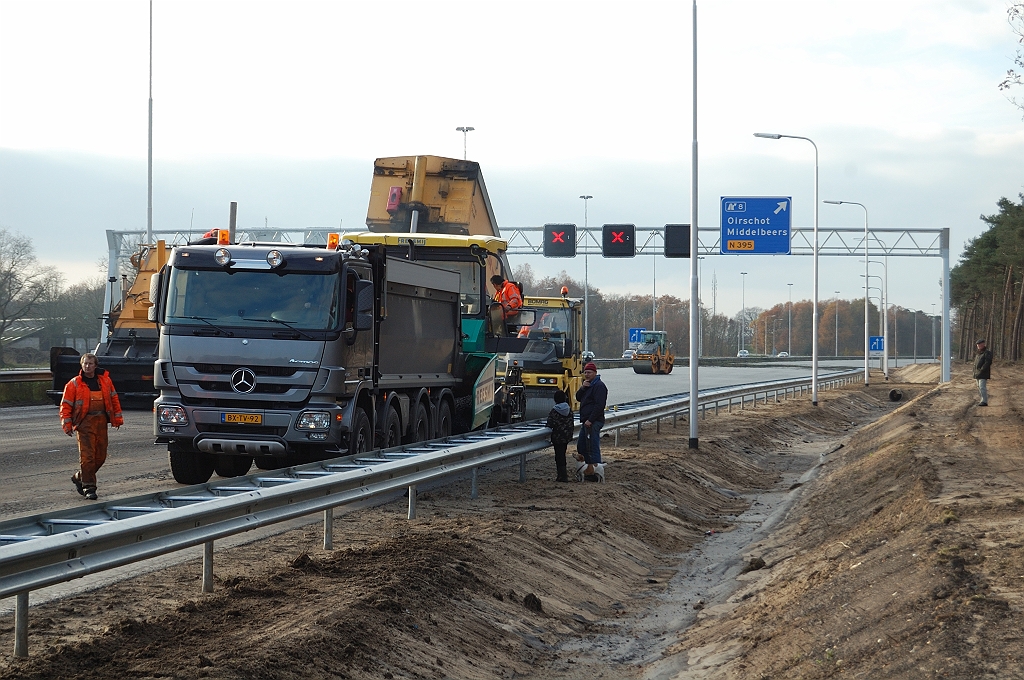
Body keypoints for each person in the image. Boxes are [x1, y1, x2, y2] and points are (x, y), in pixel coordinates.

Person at [59, 353, 124, 500]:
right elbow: (66, 405)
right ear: (81, 365)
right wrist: (67, 424)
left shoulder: (106, 381)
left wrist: (117, 418)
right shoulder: (74, 384)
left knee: (100, 457)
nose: (87, 366)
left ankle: (79, 476)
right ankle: (89, 487)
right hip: (84, 423)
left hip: (101, 421)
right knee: (87, 457)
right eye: (85, 363)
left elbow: (114, 399)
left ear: (96, 365)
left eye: (90, 364)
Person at [575, 361, 608, 482]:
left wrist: (591, 420)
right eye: (585, 372)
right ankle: (587, 469)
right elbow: (578, 397)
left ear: (595, 373)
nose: (587, 375)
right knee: (582, 446)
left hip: (593, 422)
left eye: (589, 372)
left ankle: (595, 472)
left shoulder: (599, 386)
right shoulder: (587, 385)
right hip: (586, 421)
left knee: (593, 447)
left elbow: (599, 406)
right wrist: (583, 388)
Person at [546, 390, 574, 483]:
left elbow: (550, 423)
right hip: (567, 436)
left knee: (559, 456)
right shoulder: (569, 409)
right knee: (562, 454)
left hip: (557, 437)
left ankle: (562, 476)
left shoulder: (555, 410)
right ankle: (562, 475)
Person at [974, 338, 992, 406]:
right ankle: (982, 400)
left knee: (982, 387)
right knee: (979, 387)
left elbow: (988, 362)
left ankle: (984, 401)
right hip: (977, 373)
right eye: (977, 345)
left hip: (983, 373)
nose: (978, 346)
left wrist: (982, 369)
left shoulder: (987, 353)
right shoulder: (978, 353)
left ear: (983, 344)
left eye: (980, 344)